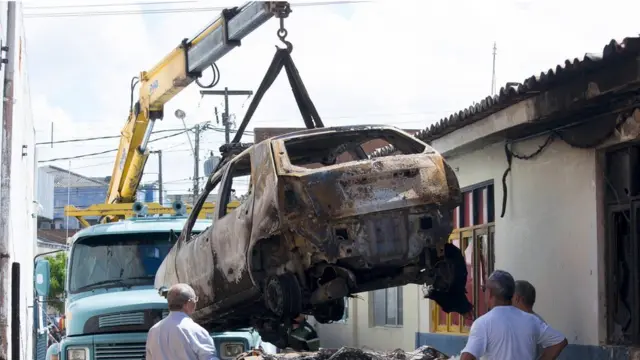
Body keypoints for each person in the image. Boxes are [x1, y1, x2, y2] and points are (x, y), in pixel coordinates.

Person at [460, 270, 568, 360]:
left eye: (484, 290)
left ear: (490, 293)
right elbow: (559, 341)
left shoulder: (483, 323)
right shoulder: (531, 320)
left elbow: (467, 358)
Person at [146, 283, 219, 360]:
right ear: (188, 303)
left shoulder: (153, 331)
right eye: (195, 299)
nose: (195, 303)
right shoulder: (195, 330)